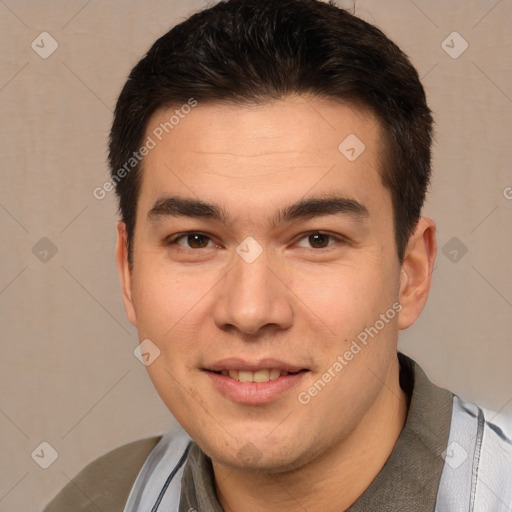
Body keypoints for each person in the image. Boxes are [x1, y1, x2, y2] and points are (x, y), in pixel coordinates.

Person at [43, 0, 512, 510]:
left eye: (316, 239)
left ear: (410, 275)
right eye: (195, 240)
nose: (249, 311)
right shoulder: (101, 498)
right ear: (128, 272)